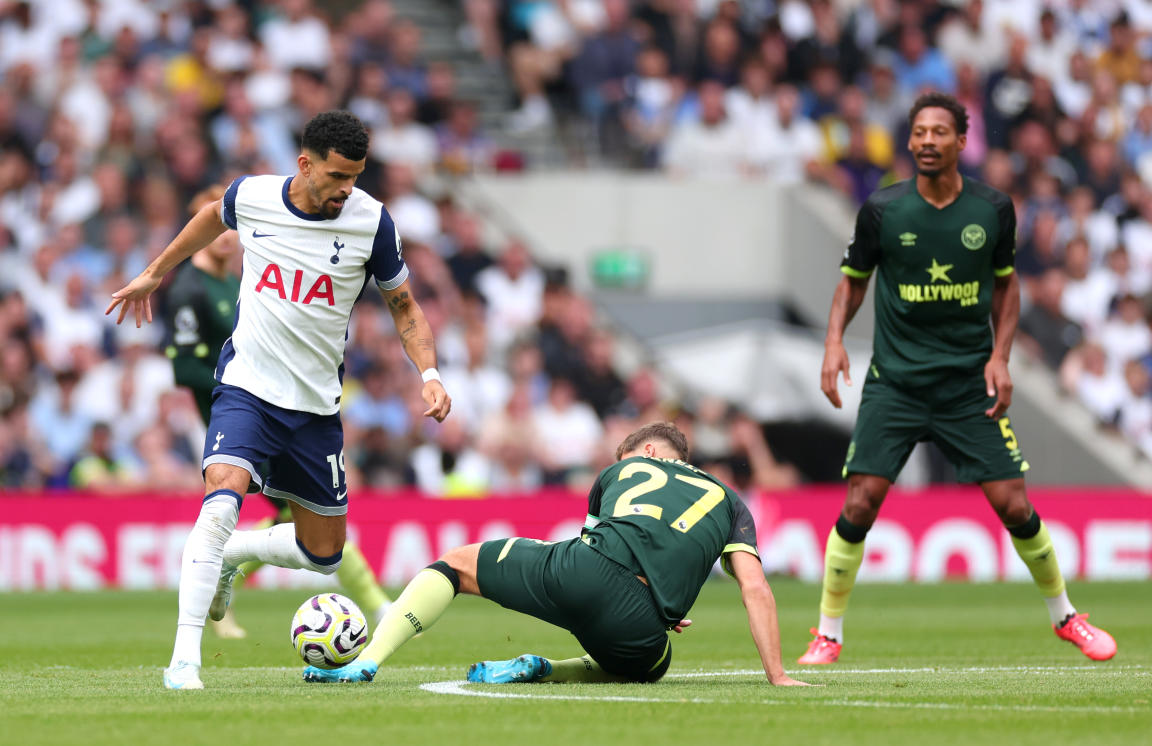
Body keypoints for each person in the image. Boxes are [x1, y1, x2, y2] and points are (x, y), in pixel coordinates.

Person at [107, 110, 452, 690]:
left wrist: (430, 373)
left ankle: (237, 554)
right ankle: (184, 661)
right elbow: (209, 218)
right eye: (338, 176)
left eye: (356, 176)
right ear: (305, 163)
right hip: (247, 386)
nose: (348, 188)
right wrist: (154, 273)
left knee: (325, 556)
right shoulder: (254, 197)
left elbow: (406, 307)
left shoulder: (373, 223)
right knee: (220, 499)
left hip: (316, 407)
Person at [799, 92, 1116, 665]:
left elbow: (1006, 285)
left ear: (960, 141)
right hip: (895, 383)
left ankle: (1066, 617)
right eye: (918, 131)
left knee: (1013, 504)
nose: (926, 141)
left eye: (938, 132)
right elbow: (853, 280)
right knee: (862, 501)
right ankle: (828, 633)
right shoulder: (882, 210)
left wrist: (1001, 357)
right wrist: (832, 342)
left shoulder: (991, 209)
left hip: (968, 383)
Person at [302, 421, 807, 687]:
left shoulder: (619, 473)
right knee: (652, 665)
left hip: (578, 573)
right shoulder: (730, 500)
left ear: (649, 454)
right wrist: (777, 676)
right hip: (640, 624)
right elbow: (756, 588)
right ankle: (547, 668)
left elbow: (598, 544)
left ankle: (366, 661)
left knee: (455, 565)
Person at [162, 187, 393, 640]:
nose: (226, 239)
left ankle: (224, 578)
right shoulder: (188, 289)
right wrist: (243, 386)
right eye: (215, 232)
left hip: (277, 406)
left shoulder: (235, 279)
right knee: (289, 515)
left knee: (300, 520)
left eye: (229, 233)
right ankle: (376, 604)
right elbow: (183, 366)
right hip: (240, 410)